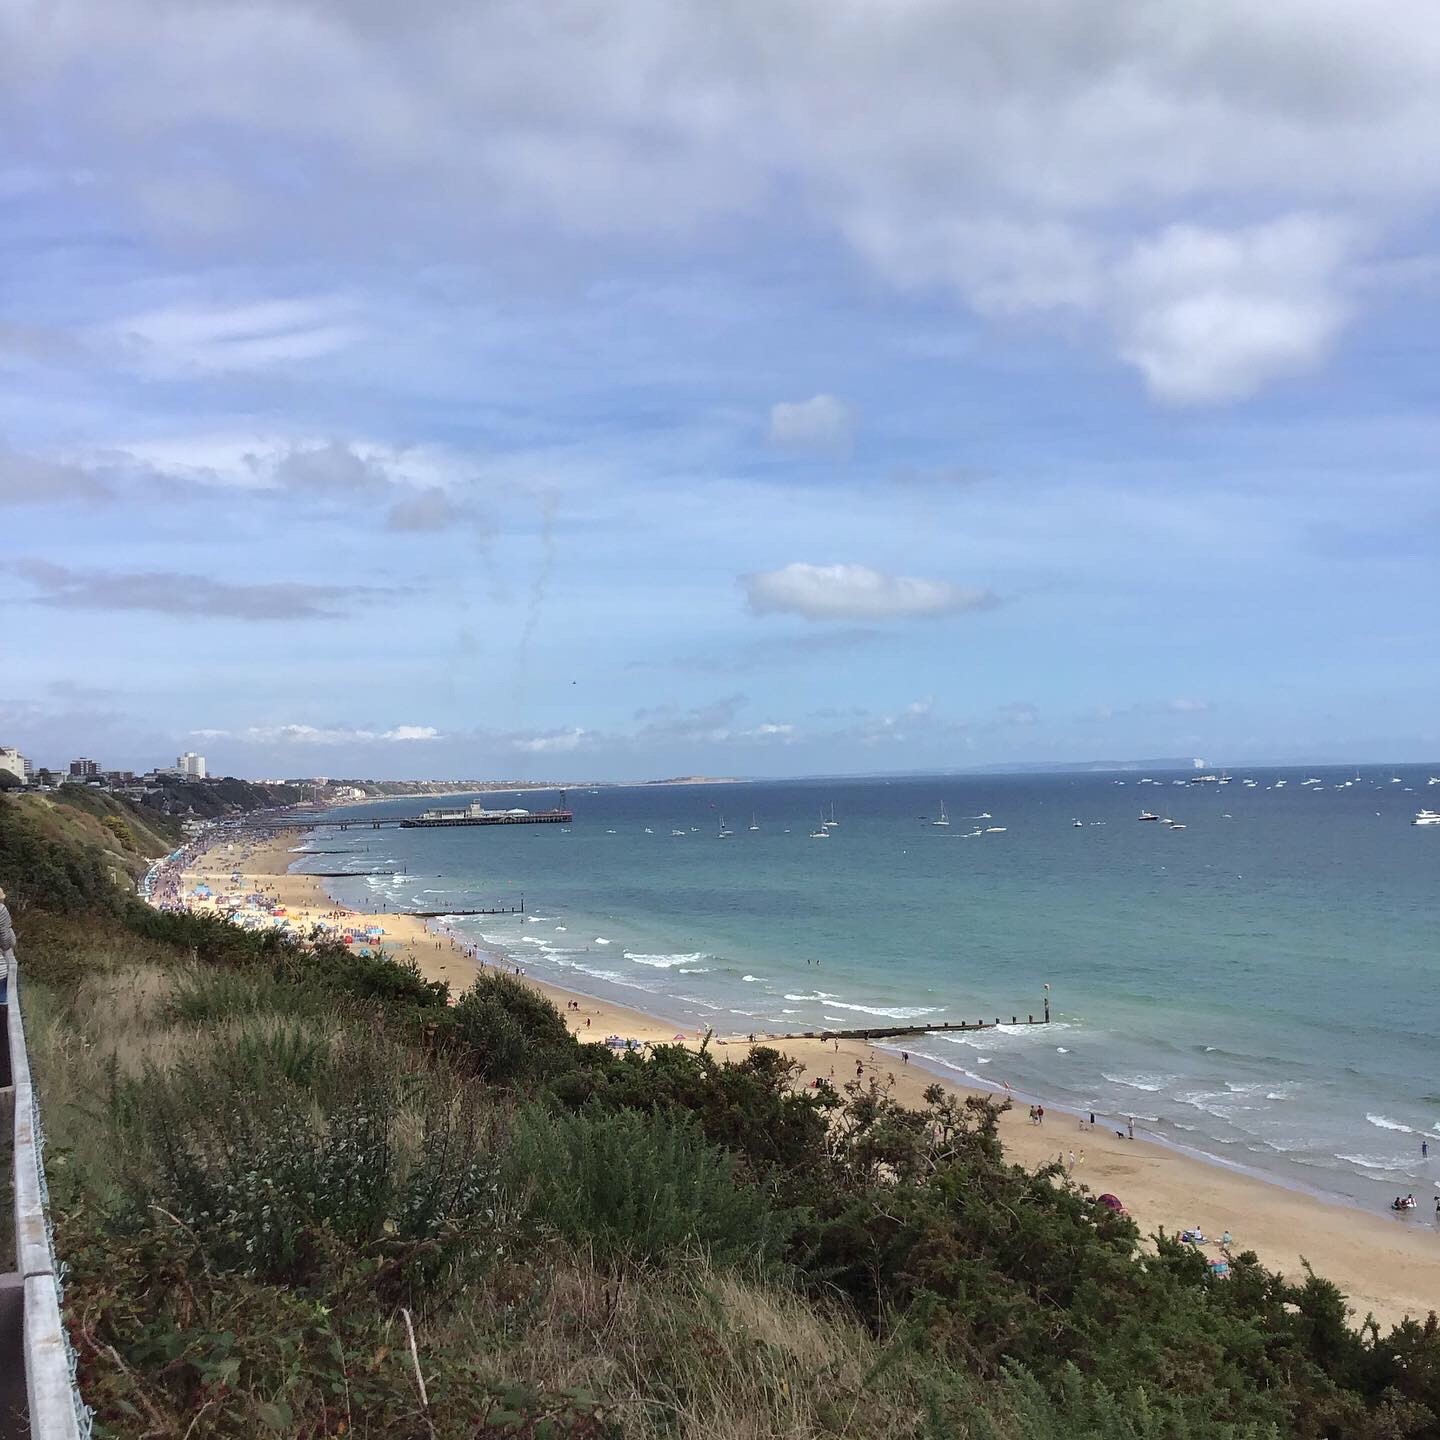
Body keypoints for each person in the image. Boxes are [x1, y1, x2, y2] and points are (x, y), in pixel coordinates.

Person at [0, 886, 16, 957]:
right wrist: (6, 949)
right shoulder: (1, 909)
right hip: (3, 947)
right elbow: (4, 932)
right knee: (10, 966)